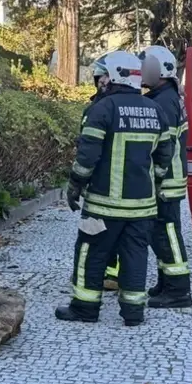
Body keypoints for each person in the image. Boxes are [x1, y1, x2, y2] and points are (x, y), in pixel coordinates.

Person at [57, 51, 172, 326]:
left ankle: (85, 308)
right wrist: (152, 185)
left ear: (114, 75)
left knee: (91, 252)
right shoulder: (156, 110)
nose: (100, 81)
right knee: (135, 255)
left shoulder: (103, 109)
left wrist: (75, 185)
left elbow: (87, 158)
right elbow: (164, 157)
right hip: (142, 206)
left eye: (103, 75)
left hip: (102, 206)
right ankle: (133, 312)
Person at [140, 45, 192, 309]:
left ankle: (178, 289)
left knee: (166, 233)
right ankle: (166, 280)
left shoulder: (162, 102)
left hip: (166, 181)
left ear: (160, 69)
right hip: (170, 179)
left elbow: (163, 147)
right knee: (160, 233)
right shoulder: (168, 97)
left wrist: (157, 177)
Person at [86, 56, 121, 292]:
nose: (101, 81)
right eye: (99, 78)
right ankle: (103, 273)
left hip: (107, 183)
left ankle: (110, 275)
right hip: (100, 180)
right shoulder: (97, 104)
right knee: (98, 231)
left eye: (104, 77)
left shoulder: (108, 107)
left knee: (105, 232)